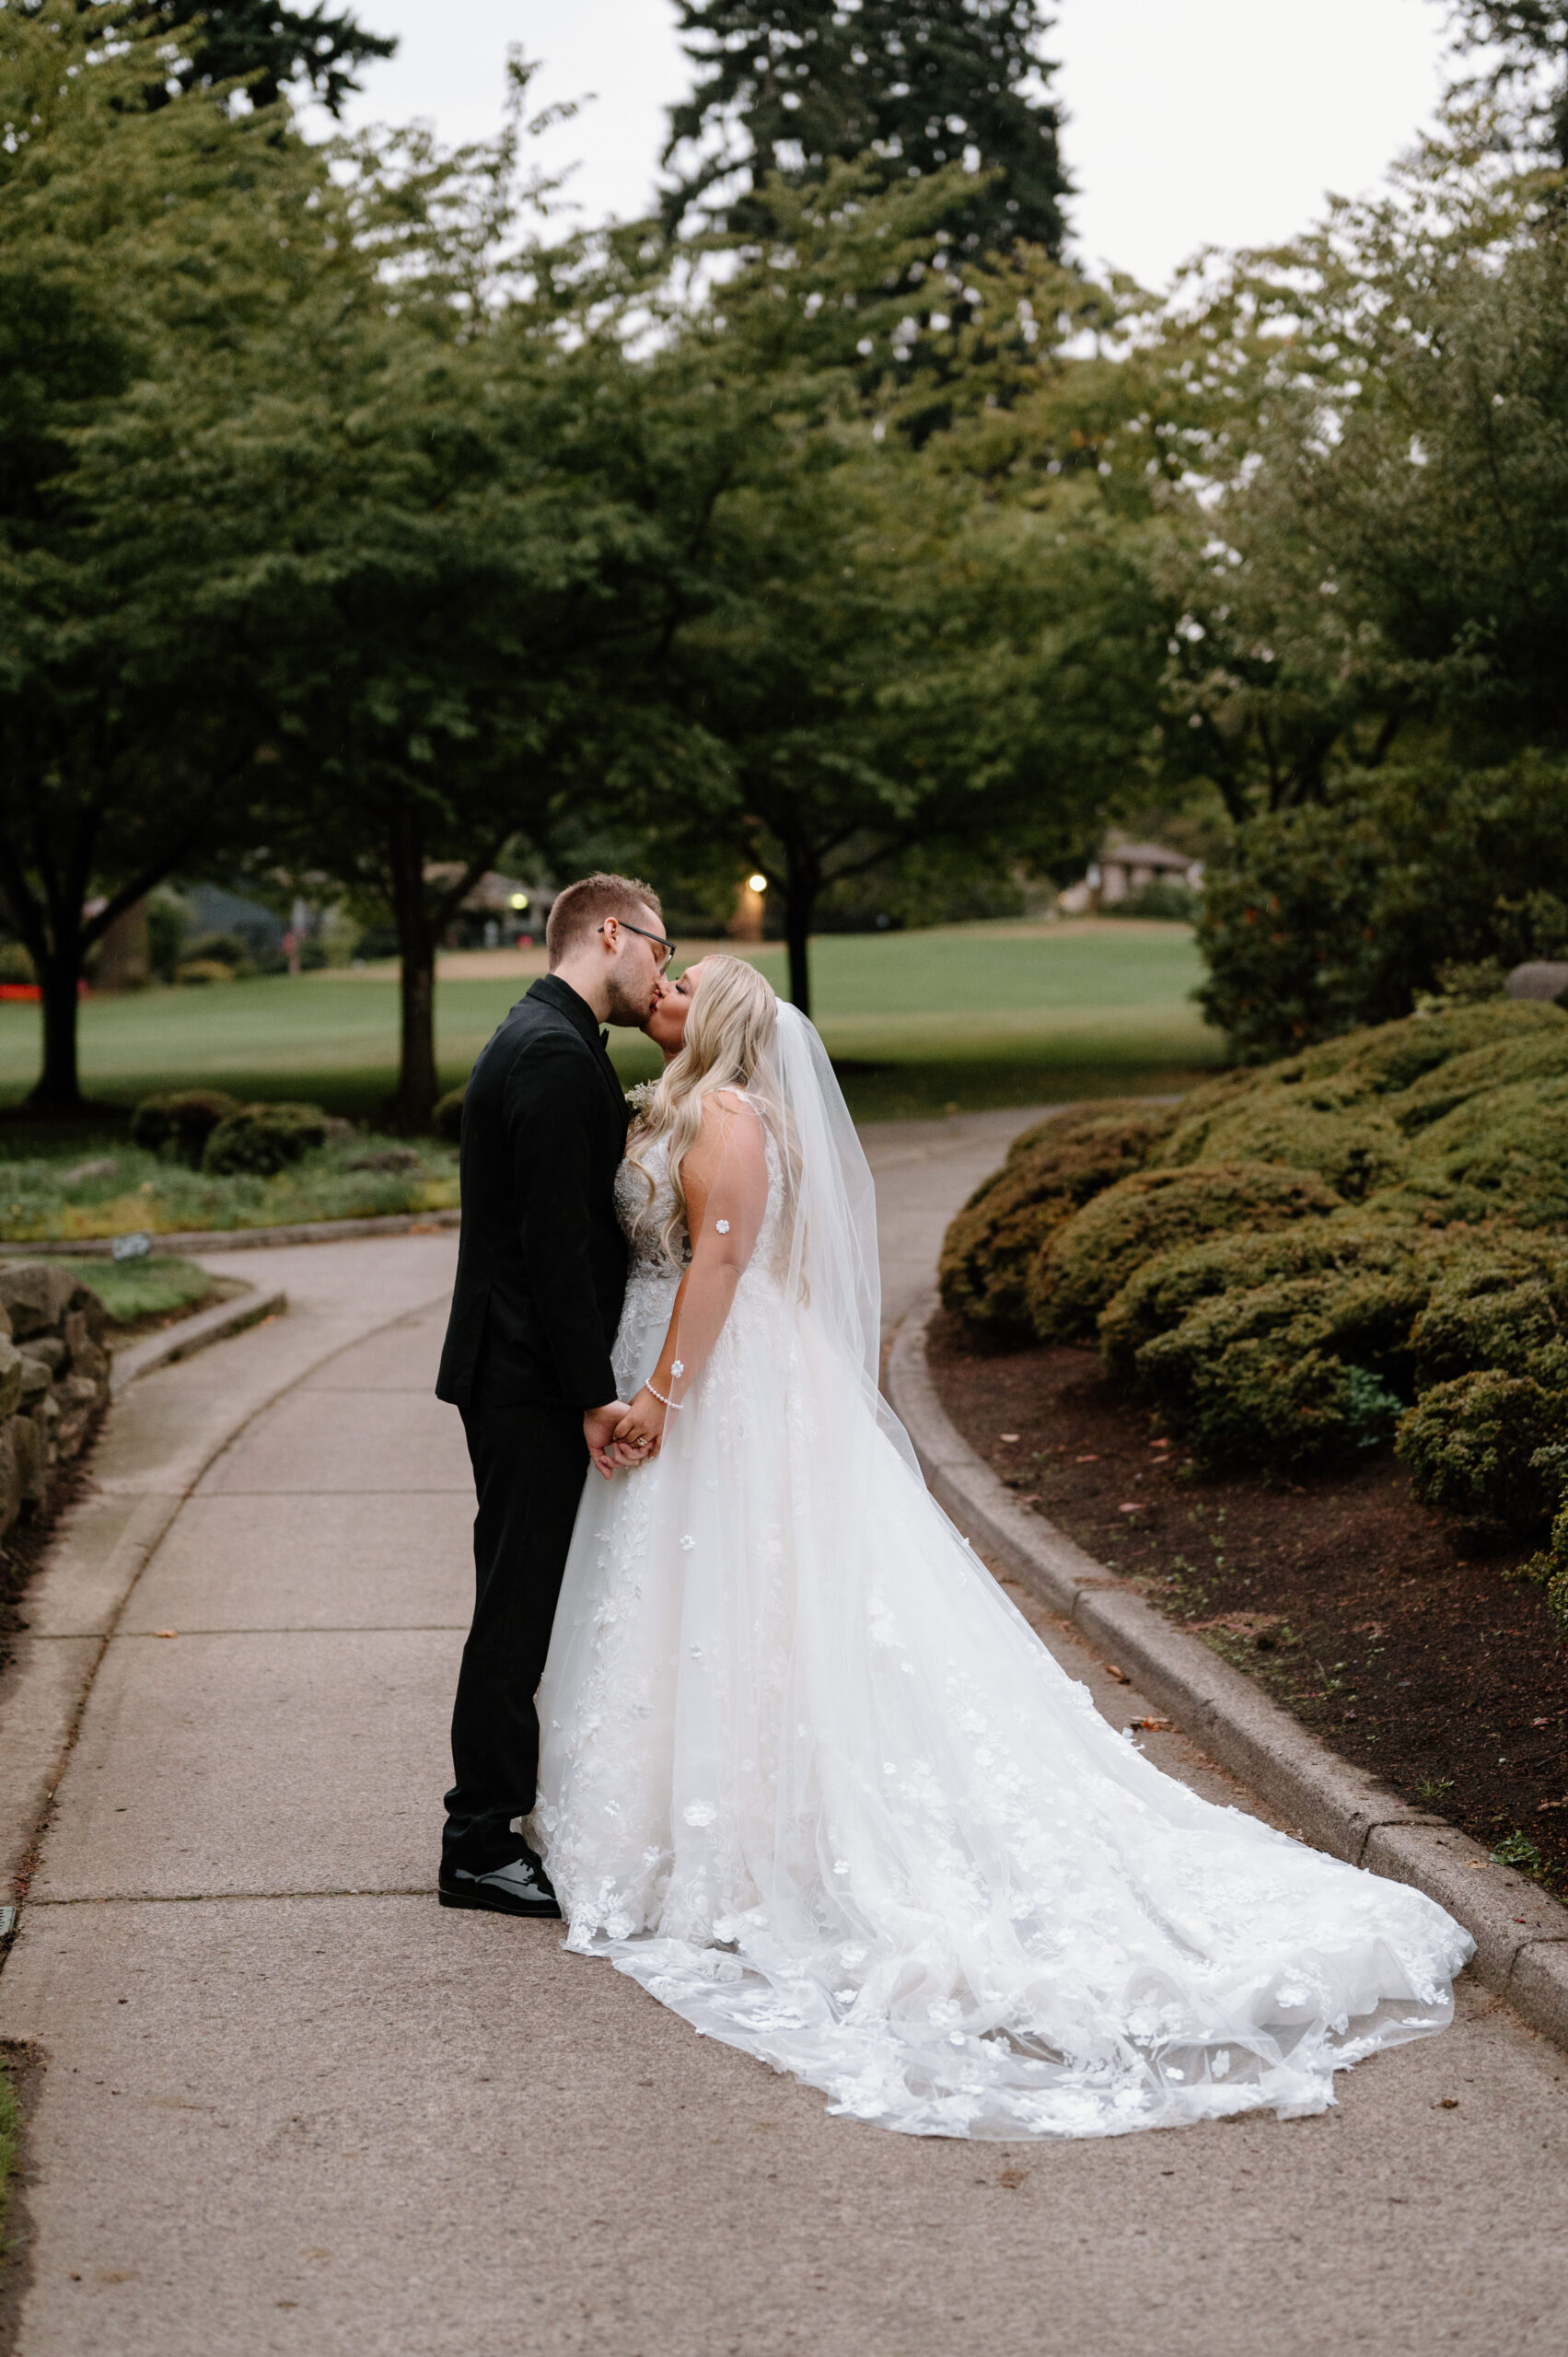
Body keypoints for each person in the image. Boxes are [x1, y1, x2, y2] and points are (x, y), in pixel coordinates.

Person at [529, 954, 1474, 2140]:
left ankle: (751, 1831)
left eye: (684, 981)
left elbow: (717, 1264)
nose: (661, 983)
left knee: (757, 1597)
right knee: (692, 1605)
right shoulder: (676, 1103)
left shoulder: (724, 1113)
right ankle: (677, 1815)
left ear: (713, 1021)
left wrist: (666, 1394)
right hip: (676, 1360)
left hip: (717, 1379)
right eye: (662, 970)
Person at [434, 872, 675, 1917]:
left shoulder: (552, 1041)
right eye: (662, 947)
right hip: (526, 1377)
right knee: (516, 1605)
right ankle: (477, 1839)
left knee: (524, 1594)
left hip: (521, 1369)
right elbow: (550, 1249)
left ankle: (494, 1821)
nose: (663, 969)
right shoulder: (547, 1054)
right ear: (611, 932)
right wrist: (592, 1392)